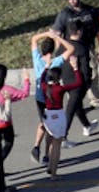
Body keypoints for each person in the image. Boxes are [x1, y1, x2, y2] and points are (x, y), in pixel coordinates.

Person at [52, 0, 99, 107]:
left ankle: (95, 100)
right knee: (72, 77)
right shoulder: (64, 14)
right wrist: (57, 53)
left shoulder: (90, 11)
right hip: (71, 50)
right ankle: (74, 103)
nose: (72, 1)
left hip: (88, 47)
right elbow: (57, 33)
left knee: (93, 74)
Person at [28, 31, 71, 163]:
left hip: (40, 95)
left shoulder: (37, 59)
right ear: (53, 49)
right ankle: (47, 155)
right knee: (51, 127)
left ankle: (36, 146)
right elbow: (71, 49)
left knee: (43, 121)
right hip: (52, 96)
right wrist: (58, 37)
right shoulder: (56, 61)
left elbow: (34, 39)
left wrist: (48, 33)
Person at [40, 58, 83, 178]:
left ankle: (49, 165)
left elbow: (41, 79)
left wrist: (46, 67)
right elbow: (78, 83)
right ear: (59, 78)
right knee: (57, 145)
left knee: (50, 138)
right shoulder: (60, 89)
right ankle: (53, 172)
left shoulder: (44, 87)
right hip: (58, 116)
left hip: (47, 115)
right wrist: (75, 68)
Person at [0, 63, 32, 169]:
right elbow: (24, 93)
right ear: (4, 76)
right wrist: (26, 79)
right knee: (8, 143)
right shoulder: (7, 89)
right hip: (5, 123)